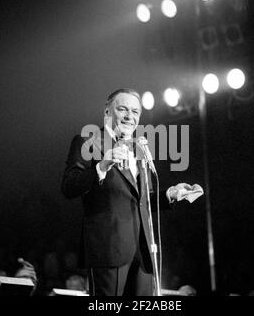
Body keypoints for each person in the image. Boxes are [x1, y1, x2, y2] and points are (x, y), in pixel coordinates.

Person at [61, 88, 203, 296]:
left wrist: (170, 194)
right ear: (107, 112)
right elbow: (69, 186)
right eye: (123, 109)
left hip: (142, 252)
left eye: (135, 112)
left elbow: (142, 199)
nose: (130, 116)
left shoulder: (139, 148)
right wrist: (102, 165)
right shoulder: (88, 141)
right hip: (108, 250)